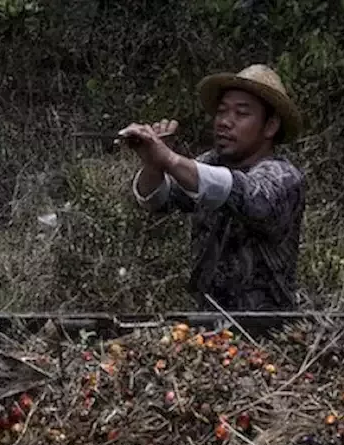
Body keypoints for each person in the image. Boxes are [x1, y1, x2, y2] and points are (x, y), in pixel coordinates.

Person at [121, 64, 306, 312]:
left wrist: (170, 160)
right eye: (221, 112)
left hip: (265, 328)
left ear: (270, 126)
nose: (225, 122)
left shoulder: (284, 178)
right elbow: (158, 199)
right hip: (207, 323)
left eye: (241, 114)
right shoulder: (210, 162)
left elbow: (244, 194)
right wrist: (153, 165)